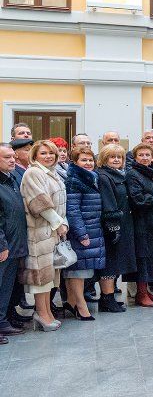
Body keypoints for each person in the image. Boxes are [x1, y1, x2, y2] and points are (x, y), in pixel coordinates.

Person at [20, 140, 67, 331]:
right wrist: (58, 223)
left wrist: (62, 223)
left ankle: (47, 312)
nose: (48, 156)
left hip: (52, 232)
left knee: (50, 277)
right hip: (39, 232)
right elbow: (39, 202)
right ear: (35, 155)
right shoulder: (33, 172)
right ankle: (41, 314)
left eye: (52, 153)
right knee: (41, 277)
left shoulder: (52, 173)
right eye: (43, 153)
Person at [63, 147, 105, 321]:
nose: (88, 163)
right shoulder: (75, 180)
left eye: (90, 160)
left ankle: (72, 302)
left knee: (82, 270)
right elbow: (72, 210)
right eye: (83, 160)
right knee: (78, 272)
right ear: (75, 162)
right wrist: (82, 234)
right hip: (82, 232)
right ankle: (81, 306)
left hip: (93, 229)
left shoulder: (91, 177)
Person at [95, 144, 136, 312]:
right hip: (112, 227)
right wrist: (113, 227)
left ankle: (109, 297)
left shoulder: (120, 175)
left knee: (116, 262)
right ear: (104, 159)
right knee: (110, 264)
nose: (117, 160)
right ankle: (106, 299)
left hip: (124, 223)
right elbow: (108, 203)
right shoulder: (104, 176)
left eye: (119, 157)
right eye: (112, 157)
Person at [125, 143, 153, 307]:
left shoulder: (150, 173)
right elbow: (136, 197)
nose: (144, 158)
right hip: (140, 222)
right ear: (135, 157)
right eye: (141, 155)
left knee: (150, 256)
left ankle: (146, 290)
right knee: (143, 257)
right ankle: (141, 294)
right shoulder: (132, 174)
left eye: (147, 155)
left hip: (152, 220)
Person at [0, 143, 28, 341]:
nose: (12, 160)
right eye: (7, 157)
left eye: (12, 156)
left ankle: (3, 320)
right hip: (4, 246)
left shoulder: (12, 179)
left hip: (15, 244)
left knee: (7, 286)